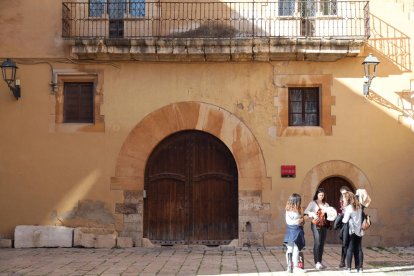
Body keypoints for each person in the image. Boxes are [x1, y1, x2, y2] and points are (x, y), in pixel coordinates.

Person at [304, 187, 330, 269]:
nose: (321, 196)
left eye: (322, 195)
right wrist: (313, 214)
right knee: (317, 242)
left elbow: (330, 214)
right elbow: (306, 212)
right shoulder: (312, 203)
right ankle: (317, 262)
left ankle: (320, 261)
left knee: (322, 243)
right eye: (320, 195)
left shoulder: (326, 204)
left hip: (324, 225)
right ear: (317, 195)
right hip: (315, 225)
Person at [342, 191, 364, 273]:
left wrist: (343, 214)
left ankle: (348, 268)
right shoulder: (359, 206)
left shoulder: (349, 208)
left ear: (347, 199)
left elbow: (345, 220)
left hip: (351, 231)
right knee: (359, 249)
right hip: (359, 230)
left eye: (344, 198)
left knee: (350, 249)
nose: (343, 200)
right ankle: (360, 268)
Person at [283, 193, 305, 273]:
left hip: (298, 230)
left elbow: (302, 218)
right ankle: (290, 266)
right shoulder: (288, 210)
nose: (299, 202)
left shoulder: (300, 209)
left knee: (296, 248)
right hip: (291, 230)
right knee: (290, 248)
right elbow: (288, 222)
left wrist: (303, 219)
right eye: (298, 201)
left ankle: (295, 266)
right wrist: (298, 221)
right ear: (294, 201)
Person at [338, 186, 352, 268]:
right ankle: (342, 261)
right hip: (344, 223)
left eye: (345, 193)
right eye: (342, 193)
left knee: (350, 243)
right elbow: (340, 210)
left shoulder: (352, 201)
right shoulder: (341, 200)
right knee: (344, 243)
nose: (343, 195)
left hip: (351, 223)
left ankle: (348, 262)